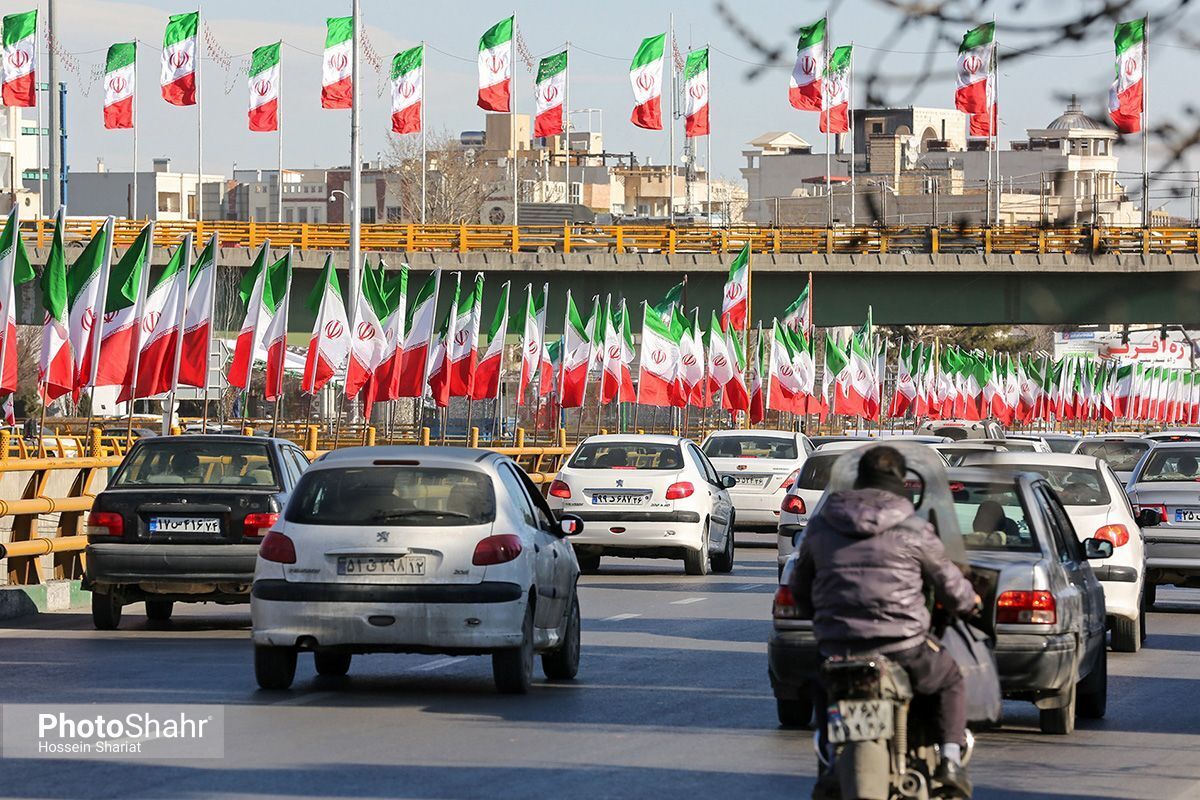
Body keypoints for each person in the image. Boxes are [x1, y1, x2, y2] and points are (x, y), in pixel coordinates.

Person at [790, 445, 979, 799]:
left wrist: (822, 617)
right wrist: (971, 602)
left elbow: (800, 586)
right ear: (899, 482)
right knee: (951, 678)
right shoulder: (914, 528)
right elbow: (950, 584)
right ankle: (951, 759)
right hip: (903, 647)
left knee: (819, 681)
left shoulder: (821, 525)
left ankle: (831, 757)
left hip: (838, 646)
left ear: (858, 479)